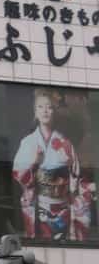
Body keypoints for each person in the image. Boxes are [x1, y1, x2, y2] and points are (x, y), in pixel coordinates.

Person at [12, 89, 93, 241]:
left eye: (49, 107)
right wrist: (35, 162)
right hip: (40, 206)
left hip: (62, 207)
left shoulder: (65, 143)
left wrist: (83, 189)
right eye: (40, 107)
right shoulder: (28, 142)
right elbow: (19, 177)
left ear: (54, 111)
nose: (45, 111)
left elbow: (76, 176)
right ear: (35, 112)